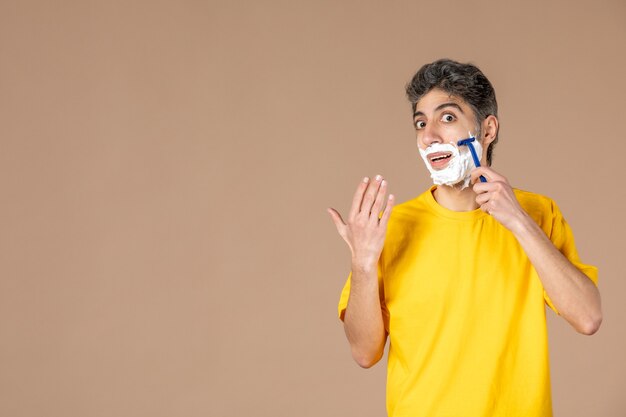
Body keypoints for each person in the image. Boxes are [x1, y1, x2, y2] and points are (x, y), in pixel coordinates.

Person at [327, 58, 602, 417]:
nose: (429, 136)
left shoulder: (537, 213)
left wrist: (518, 221)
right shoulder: (392, 228)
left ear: (487, 131)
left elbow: (588, 317)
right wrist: (363, 265)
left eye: (448, 118)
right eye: (421, 123)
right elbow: (364, 353)